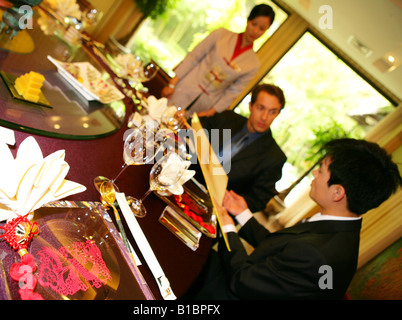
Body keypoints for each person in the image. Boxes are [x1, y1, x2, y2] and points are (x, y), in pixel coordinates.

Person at [184, 138, 401, 299]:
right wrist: (242, 213)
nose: (314, 174)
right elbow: (279, 249)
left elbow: (243, 280)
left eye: (322, 170)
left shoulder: (318, 253)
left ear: (337, 193)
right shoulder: (339, 229)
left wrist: (228, 227)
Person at [161, 4, 275, 117]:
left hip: (204, 105)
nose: (255, 31)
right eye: (253, 24)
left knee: (177, 133)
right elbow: (194, 57)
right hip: (185, 87)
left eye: (261, 28)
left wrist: (211, 111)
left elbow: (233, 92)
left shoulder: (253, 64)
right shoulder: (221, 35)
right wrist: (172, 83)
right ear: (248, 20)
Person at [193, 83, 286, 213]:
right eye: (261, 108)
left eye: (272, 112)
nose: (264, 117)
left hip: (214, 207)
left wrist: (235, 202)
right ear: (250, 106)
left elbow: (258, 200)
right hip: (187, 177)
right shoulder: (227, 118)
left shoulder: (274, 157)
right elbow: (193, 132)